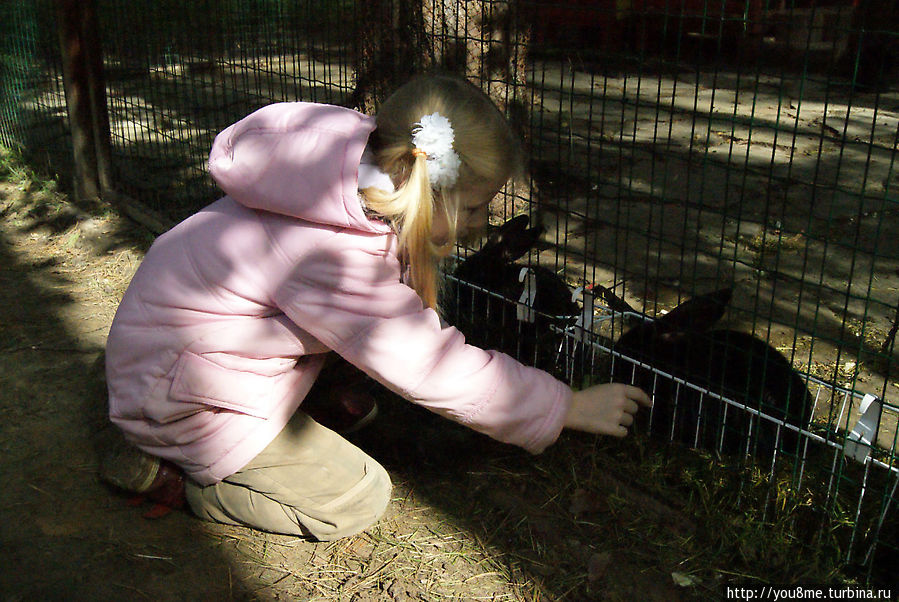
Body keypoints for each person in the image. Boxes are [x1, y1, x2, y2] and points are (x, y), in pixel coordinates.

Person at [101, 74, 651, 540]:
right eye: (477, 207)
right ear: (425, 189)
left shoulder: (347, 169)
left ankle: (297, 411)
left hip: (194, 358)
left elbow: (388, 320)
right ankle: (185, 481)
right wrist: (563, 407)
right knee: (357, 496)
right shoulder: (331, 254)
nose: (483, 224)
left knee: (368, 394)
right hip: (181, 398)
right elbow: (428, 365)